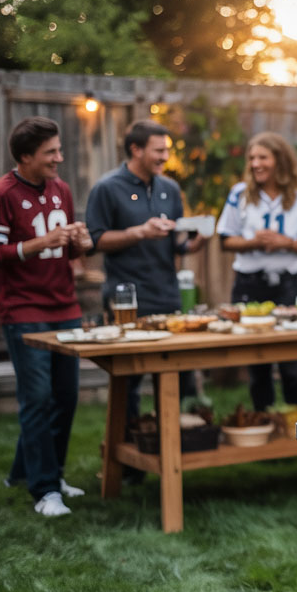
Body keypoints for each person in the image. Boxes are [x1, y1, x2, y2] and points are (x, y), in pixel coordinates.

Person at [0, 116, 94, 517]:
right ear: (25, 157)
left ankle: (45, 474)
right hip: (23, 310)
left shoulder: (60, 190)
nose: (59, 158)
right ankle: (44, 492)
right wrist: (35, 243)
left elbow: (67, 253)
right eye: (50, 153)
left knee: (66, 397)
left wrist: (81, 244)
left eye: (59, 150)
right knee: (37, 399)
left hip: (65, 306)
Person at [85, 120, 205, 482]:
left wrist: (197, 241)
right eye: (159, 150)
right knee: (131, 381)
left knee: (175, 377)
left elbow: (178, 243)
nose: (165, 157)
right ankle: (127, 464)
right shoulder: (107, 188)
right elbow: (93, 240)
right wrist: (139, 231)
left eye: (167, 151)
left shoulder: (169, 188)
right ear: (136, 150)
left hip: (167, 294)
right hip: (128, 300)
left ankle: (174, 450)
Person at [216, 132, 297, 411]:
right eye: (252, 158)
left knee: (293, 362)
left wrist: (285, 242)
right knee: (258, 361)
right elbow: (225, 239)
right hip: (250, 285)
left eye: (263, 157)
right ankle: (263, 422)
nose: (255, 164)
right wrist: (255, 242)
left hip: (288, 286)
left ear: (280, 160)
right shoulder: (239, 193)